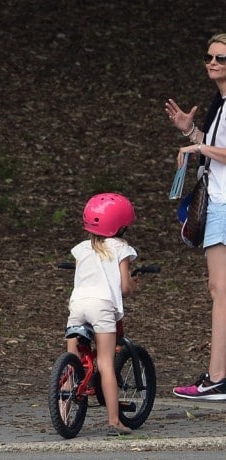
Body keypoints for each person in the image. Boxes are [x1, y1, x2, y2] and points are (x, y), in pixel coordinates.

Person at [166, 32, 226, 400]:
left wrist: (198, 145)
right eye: (209, 57)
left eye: (221, 59)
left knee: (221, 291)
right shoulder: (220, 103)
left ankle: (217, 377)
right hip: (220, 199)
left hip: (223, 203)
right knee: (220, 291)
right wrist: (190, 131)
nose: (213, 63)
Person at [64, 193, 137, 436]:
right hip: (102, 306)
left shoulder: (82, 248)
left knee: (71, 361)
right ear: (121, 225)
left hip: (77, 305)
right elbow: (124, 288)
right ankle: (114, 421)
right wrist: (133, 285)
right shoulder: (121, 247)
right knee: (105, 363)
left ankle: (63, 414)